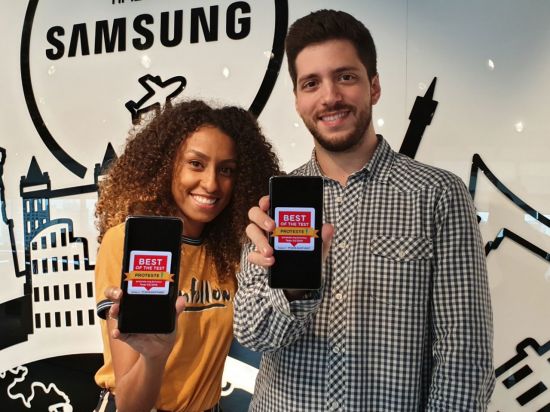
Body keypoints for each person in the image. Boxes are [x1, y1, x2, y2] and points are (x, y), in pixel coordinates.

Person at [234, 9, 495, 411]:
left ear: (374, 86)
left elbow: (464, 356)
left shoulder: (438, 194)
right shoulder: (276, 204)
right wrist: (291, 288)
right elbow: (253, 335)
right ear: (298, 100)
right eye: (311, 83)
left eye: (345, 77)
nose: (329, 97)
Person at [93, 100, 280, 412]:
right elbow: (130, 405)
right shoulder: (127, 242)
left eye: (226, 170)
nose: (211, 183)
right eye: (196, 163)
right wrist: (154, 357)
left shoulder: (232, 251)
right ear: (166, 164)